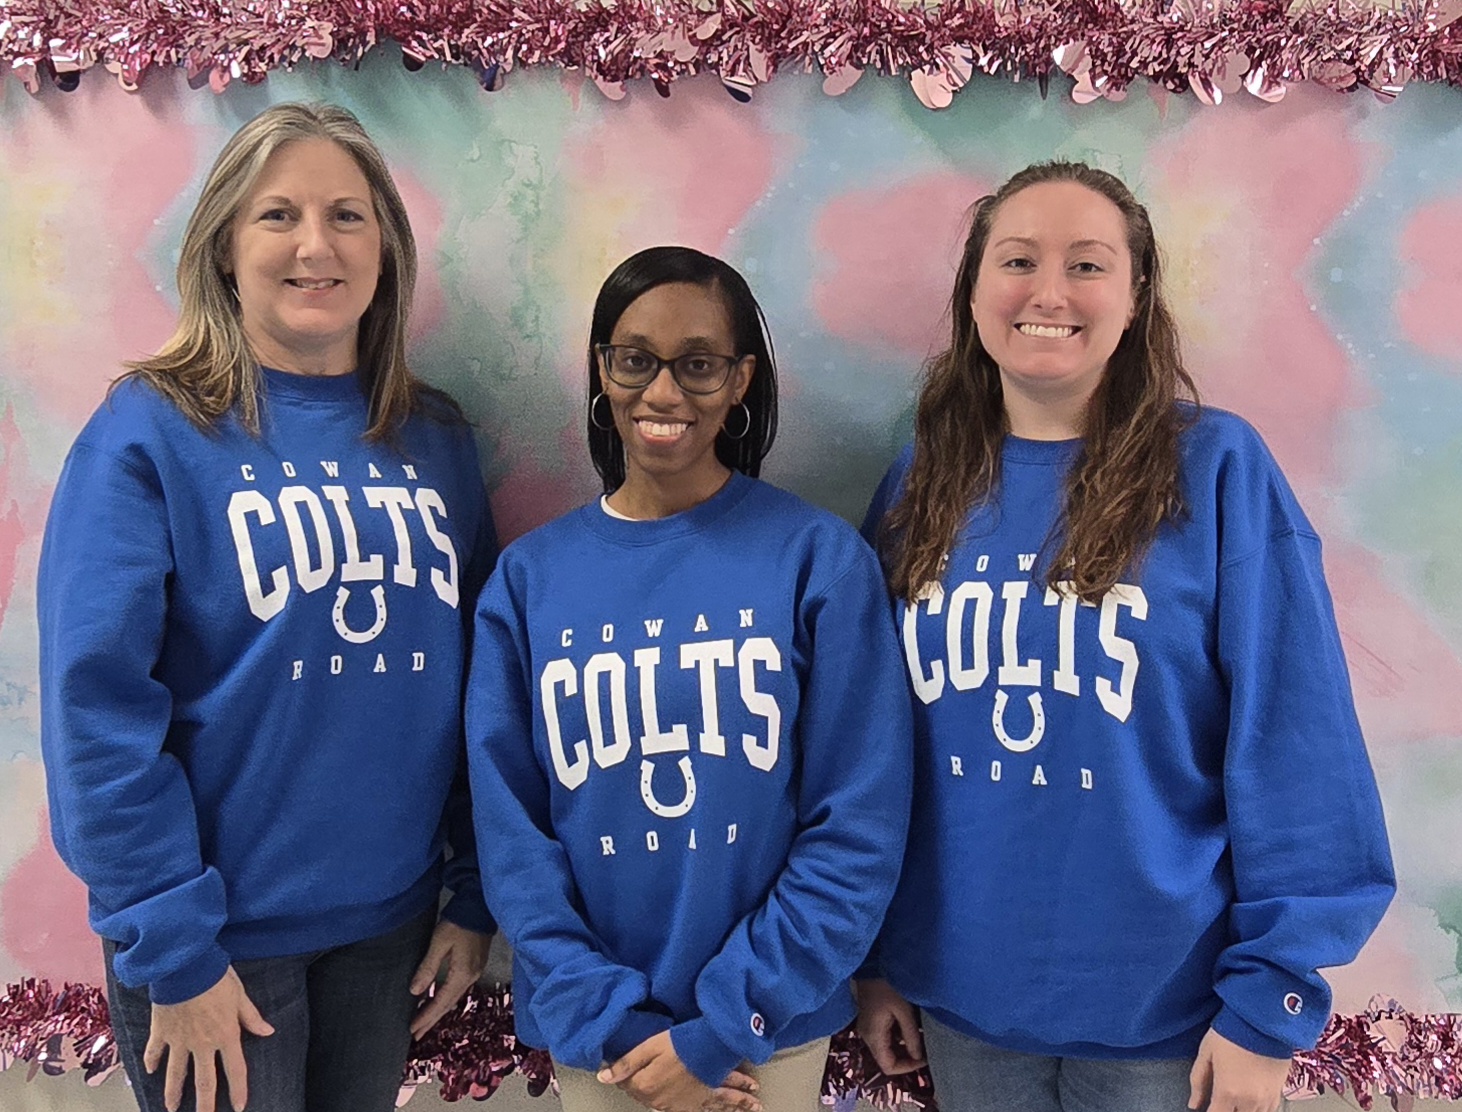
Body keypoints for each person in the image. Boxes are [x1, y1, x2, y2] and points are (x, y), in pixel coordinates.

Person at [854, 161, 1395, 1112]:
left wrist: (1271, 997)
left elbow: (1297, 740)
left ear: (1138, 297)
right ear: (974, 293)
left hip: (1170, 1014)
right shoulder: (920, 480)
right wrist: (875, 956)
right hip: (961, 998)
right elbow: (866, 752)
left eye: (1089, 265)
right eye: (1017, 260)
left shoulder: (1218, 469)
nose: (1049, 292)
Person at [38, 102, 496, 1112]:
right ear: (224, 249)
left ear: (386, 252)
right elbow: (94, 712)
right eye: (276, 215)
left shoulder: (435, 439)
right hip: (217, 943)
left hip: (389, 928)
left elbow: (480, 690)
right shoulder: (148, 435)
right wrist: (173, 944)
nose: (314, 244)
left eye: (347, 215)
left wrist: (471, 891)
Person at [466, 246, 913, 1112]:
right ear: (603, 369)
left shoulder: (818, 563)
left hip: (764, 1037)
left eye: (698, 365)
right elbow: (512, 837)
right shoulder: (527, 583)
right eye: (635, 360)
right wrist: (616, 1022)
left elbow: (857, 822)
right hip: (599, 1041)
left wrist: (720, 1029)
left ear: (741, 380)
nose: (663, 393)